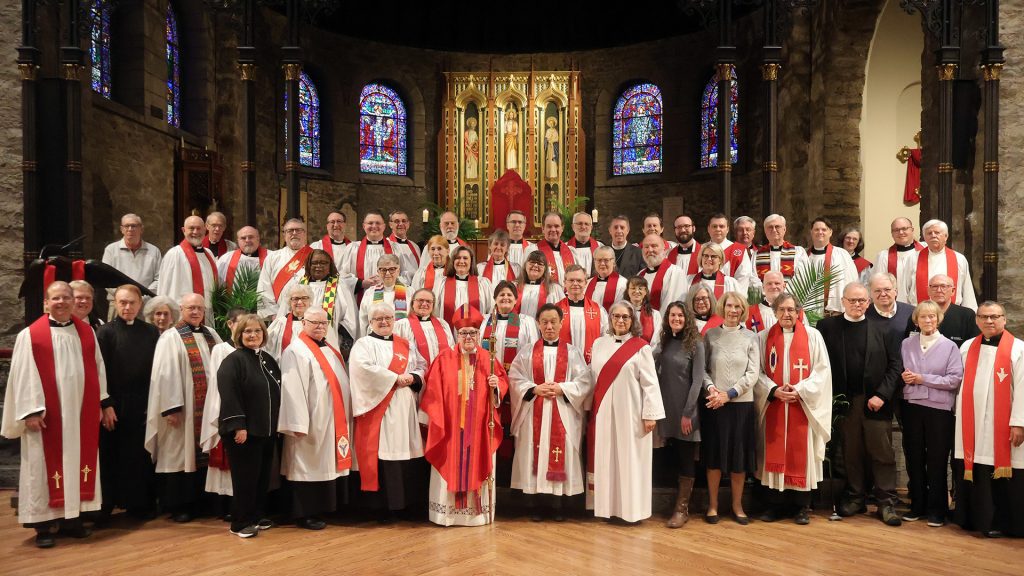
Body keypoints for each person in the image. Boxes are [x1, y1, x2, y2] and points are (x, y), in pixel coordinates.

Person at [2, 282, 108, 548]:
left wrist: (100, 403)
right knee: (42, 468)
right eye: (55, 298)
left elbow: (98, 369)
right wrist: (31, 411)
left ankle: (71, 520)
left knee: (76, 464)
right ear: (46, 303)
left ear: (73, 302)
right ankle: (44, 526)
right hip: (46, 417)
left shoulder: (86, 332)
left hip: (80, 415)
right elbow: (24, 376)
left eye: (66, 298)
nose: (61, 302)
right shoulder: (31, 335)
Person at [816, 283, 903, 526]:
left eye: (862, 301)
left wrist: (882, 395)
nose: (857, 305)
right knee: (850, 452)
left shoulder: (885, 329)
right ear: (842, 301)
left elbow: (896, 365)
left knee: (881, 452)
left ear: (869, 302)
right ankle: (855, 497)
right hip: (844, 402)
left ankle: (886, 501)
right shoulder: (827, 327)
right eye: (852, 300)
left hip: (875, 401)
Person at [420, 305, 508, 526]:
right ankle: (446, 514)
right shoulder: (443, 359)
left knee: (478, 460)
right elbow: (432, 391)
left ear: (479, 335)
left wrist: (496, 387)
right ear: (456, 335)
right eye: (463, 333)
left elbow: (502, 386)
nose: (468, 337)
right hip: (450, 428)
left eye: (472, 333)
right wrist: (438, 419)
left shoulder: (489, 358)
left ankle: (476, 515)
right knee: (451, 460)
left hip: (479, 429)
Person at [509, 304, 593, 521]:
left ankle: (558, 505)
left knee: (558, 453)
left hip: (562, 411)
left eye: (553, 322)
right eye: (544, 322)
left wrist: (561, 388)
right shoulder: (527, 351)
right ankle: (536, 504)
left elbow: (584, 381)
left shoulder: (572, 353)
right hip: (533, 410)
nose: (548, 326)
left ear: (561, 323)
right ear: (538, 323)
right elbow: (515, 377)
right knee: (533, 454)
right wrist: (534, 388)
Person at [755, 293, 833, 525]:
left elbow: (822, 371)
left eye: (791, 310)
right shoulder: (762, 338)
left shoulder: (813, 336)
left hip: (802, 406)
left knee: (802, 455)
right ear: (774, 312)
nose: (786, 314)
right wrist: (773, 389)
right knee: (773, 453)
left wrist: (800, 390)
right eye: (781, 310)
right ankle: (774, 505)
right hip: (775, 406)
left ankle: (801, 507)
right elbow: (756, 372)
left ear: (799, 311)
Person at [145, 292, 223, 523]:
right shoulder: (170, 337)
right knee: (180, 455)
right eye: (191, 308)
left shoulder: (213, 335)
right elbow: (164, 375)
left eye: (199, 308)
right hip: (183, 410)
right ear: (181, 309)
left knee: (203, 454)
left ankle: (204, 502)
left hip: (209, 408)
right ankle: (180, 505)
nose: (196, 312)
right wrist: (171, 408)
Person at [586, 301, 665, 523]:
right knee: (607, 459)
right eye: (616, 316)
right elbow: (592, 379)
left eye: (625, 317)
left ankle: (632, 511)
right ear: (610, 319)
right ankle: (608, 509)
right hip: (603, 414)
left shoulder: (641, 347)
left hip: (631, 414)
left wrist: (650, 414)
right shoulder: (599, 344)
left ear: (633, 321)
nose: (620, 321)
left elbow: (651, 383)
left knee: (631, 460)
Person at [349, 303, 427, 520]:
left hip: (405, 406)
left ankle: (407, 504)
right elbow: (362, 370)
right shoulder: (363, 344)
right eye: (378, 319)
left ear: (394, 320)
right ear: (370, 322)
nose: (384, 322)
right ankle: (383, 507)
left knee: (406, 451)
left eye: (388, 318)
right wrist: (394, 378)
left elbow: (421, 365)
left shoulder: (406, 344)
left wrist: (414, 377)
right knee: (384, 452)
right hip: (379, 409)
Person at [278, 308, 353, 530]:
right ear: (303, 323)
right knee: (307, 465)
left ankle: (324, 509)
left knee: (325, 464)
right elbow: (292, 389)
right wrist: (297, 423)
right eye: (314, 323)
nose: (320, 326)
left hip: (332, 418)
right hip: (311, 420)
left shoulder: (329, 348)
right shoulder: (296, 350)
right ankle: (304, 513)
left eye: (323, 323)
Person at [954, 301, 1024, 538]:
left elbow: (1023, 389)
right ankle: (978, 520)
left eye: (994, 316)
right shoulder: (966, 348)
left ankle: (1008, 523)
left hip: (1003, 425)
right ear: (976, 320)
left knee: (1006, 472)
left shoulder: (1018, 350)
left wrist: (1018, 422)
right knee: (979, 470)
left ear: (1005, 319)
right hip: (972, 423)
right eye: (983, 317)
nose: (989, 321)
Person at [96, 285, 160, 520]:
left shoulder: (151, 332)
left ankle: (138, 504)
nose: (127, 307)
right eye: (122, 302)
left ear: (140, 305)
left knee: (138, 455)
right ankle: (107, 505)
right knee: (112, 454)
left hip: (142, 402)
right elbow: (100, 370)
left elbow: (156, 369)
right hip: (115, 403)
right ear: (115, 303)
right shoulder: (105, 332)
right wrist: (106, 404)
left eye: (132, 302)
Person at [216, 313, 281, 538]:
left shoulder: (267, 359)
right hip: (244, 432)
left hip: (265, 430)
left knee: (261, 477)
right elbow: (229, 395)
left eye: (257, 331)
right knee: (245, 478)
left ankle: (255, 515)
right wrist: (238, 426)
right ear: (238, 334)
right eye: (247, 331)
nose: (253, 335)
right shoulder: (233, 361)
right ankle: (240, 522)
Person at [899, 300, 963, 527]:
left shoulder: (950, 347)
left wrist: (922, 379)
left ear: (938, 319)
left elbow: (954, 379)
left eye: (932, 316)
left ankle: (937, 509)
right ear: (916, 320)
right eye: (923, 317)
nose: (928, 320)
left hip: (939, 410)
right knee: (914, 457)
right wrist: (905, 377)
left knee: (937, 459)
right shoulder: (906, 343)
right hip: (912, 406)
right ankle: (918, 504)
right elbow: (901, 370)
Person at [701, 291, 759, 525]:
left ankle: (737, 505)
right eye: (729, 306)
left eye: (737, 307)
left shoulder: (751, 337)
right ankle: (713, 505)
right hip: (714, 404)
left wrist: (731, 393)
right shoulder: (711, 335)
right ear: (722, 308)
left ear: (743, 310)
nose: (733, 310)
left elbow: (753, 373)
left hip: (740, 406)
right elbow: (703, 369)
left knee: (739, 458)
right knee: (714, 457)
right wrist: (713, 389)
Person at [654, 301, 706, 528]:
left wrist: (688, 413)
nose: (676, 319)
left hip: (686, 412)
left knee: (686, 458)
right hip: (666, 411)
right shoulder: (664, 342)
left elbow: (698, 381)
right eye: (672, 315)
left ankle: (681, 509)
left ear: (687, 319)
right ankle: (671, 504)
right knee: (671, 458)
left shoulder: (695, 343)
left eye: (680, 315)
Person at [277, 249, 357, 348]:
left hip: (330, 342)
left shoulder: (340, 286)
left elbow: (350, 318)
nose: (319, 266)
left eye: (323, 263)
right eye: (314, 263)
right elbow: (285, 313)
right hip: (298, 341)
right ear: (308, 265)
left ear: (330, 266)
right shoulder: (298, 285)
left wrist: (345, 345)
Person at [903, 219, 978, 310]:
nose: (933, 235)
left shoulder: (959, 259)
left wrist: (971, 314)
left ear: (946, 236)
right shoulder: (913, 258)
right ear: (924, 237)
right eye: (929, 233)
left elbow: (967, 290)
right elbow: (904, 290)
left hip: (952, 313)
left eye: (937, 232)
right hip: (921, 314)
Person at [158, 215, 217, 317]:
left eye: (199, 228)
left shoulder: (209, 254)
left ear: (205, 230)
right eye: (191, 228)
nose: (195, 232)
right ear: (183, 230)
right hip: (181, 315)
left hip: (206, 315)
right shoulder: (175, 254)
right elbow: (166, 288)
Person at [101, 213, 161, 313]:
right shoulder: (111, 250)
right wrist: (124, 296)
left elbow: (159, 278)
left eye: (134, 226)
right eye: (126, 226)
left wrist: (143, 296)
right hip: (119, 303)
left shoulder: (154, 251)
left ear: (141, 229)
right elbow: (104, 278)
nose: (130, 229)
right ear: (121, 229)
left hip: (145, 303)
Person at [905, 273, 979, 347]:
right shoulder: (918, 315)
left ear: (953, 291)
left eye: (944, 286)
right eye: (934, 286)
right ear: (928, 290)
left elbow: (973, 347)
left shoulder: (967, 315)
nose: (939, 290)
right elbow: (910, 346)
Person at [258, 218, 311, 318]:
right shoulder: (273, 258)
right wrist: (273, 314)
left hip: (309, 316)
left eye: (298, 230)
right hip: (280, 317)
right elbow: (264, 287)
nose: (294, 233)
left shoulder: (315, 256)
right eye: (290, 231)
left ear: (305, 233)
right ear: (284, 235)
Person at [805, 216, 858, 317]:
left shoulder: (842, 254)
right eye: (816, 229)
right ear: (811, 232)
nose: (820, 232)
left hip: (834, 314)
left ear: (830, 232)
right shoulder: (804, 256)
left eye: (824, 229)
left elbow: (852, 282)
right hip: (809, 314)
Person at [557, 265, 609, 364]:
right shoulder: (556, 310)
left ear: (585, 283)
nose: (575, 284)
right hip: (562, 364)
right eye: (571, 280)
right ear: (564, 283)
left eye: (579, 280)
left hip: (591, 364)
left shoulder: (599, 310)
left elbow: (606, 338)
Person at [267, 284, 334, 360]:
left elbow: (330, 349)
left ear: (310, 301)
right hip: (286, 367)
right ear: (290, 302)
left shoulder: (320, 323)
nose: (299, 302)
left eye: (304, 298)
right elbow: (268, 347)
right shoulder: (280, 323)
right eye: (295, 299)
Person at [394, 288, 455, 367]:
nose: (424, 304)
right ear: (412, 303)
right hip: (415, 375)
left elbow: (451, 350)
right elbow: (397, 354)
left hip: (441, 373)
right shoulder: (402, 325)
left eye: (429, 301)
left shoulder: (442, 324)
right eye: (420, 300)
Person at [437, 245, 494, 328]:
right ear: (452, 261)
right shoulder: (441, 283)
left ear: (471, 262)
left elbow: (491, 311)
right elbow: (435, 311)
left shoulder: (483, 283)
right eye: (458, 258)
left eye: (465, 258)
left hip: (477, 334)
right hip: (449, 333)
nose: (461, 261)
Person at [344, 210, 399, 290]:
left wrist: (388, 280)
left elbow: (404, 274)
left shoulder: (396, 248)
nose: (374, 226)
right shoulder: (353, 248)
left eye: (378, 223)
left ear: (384, 226)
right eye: (370, 223)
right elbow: (343, 275)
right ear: (364, 226)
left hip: (388, 296)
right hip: (361, 295)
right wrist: (361, 283)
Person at [873, 217, 924, 303]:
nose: (901, 233)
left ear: (912, 230)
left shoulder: (925, 251)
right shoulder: (883, 256)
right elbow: (879, 284)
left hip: (923, 305)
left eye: (904, 228)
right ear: (892, 234)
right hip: (896, 306)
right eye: (896, 230)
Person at [358, 254, 410, 337]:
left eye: (392, 269)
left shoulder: (409, 292)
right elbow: (363, 321)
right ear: (378, 271)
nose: (387, 273)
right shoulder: (370, 293)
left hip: (402, 338)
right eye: (383, 270)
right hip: (375, 341)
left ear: (398, 270)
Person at [639, 233, 689, 316]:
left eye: (654, 246)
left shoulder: (675, 272)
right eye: (646, 247)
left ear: (664, 249)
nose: (650, 250)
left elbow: (675, 304)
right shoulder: (640, 275)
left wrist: (658, 325)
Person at [753, 214, 808, 286]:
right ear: (765, 231)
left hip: (790, 295)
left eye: (777, 226)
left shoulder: (798, 252)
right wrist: (766, 292)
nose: (774, 230)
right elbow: (753, 278)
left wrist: (784, 293)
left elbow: (802, 276)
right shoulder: (757, 254)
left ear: (784, 229)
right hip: (764, 295)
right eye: (770, 227)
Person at [706, 213, 754, 294]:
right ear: (708, 229)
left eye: (721, 226)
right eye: (714, 226)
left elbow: (743, 279)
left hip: (729, 301)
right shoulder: (702, 250)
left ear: (727, 229)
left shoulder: (739, 250)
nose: (718, 229)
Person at [525, 211, 577, 284]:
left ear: (562, 228)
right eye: (549, 226)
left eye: (556, 226)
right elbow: (526, 278)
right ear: (543, 228)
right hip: (544, 294)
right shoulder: (533, 250)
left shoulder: (572, 251)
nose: (553, 230)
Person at [515, 250, 564, 319]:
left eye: (540, 264)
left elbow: (561, 313)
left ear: (545, 269)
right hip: (518, 328)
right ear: (525, 265)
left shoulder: (554, 288)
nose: (535, 265)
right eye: (532, 262)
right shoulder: (514, 286)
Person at [216, 226, 267, 292]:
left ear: (258, 238)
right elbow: (218, 284)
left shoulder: (270, 257)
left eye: (251, 237)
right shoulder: (226, 259)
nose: (247, 240)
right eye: (243, 238)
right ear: (238, 241)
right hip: (233, 302)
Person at [865, 272, 914, 340]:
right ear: (870, 293)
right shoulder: (863, 315)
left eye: (887, 290)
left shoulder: (911, 312)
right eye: (877, 290)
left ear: (896, 291)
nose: (883, 294)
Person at [586, 246, 627, 312]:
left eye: (606, 260)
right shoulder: (587, 284)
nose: (602, 264)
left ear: (613, 262)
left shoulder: (623, 283)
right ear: (594, 262)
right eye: (599, 260)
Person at [626, 275, 661, 348]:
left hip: (648, 354)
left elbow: (656, 340)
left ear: (645, 292)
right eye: (633, 288)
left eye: (640, 288)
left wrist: (646, 355)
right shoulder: (622, 312)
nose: (637, 291)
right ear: (628, 291)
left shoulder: (655, 314)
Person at [388, 210, 422, 276]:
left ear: (408, 224)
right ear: (390, 225)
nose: (401, 224)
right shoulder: (386, 245)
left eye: (404, 221)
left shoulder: (415, 246)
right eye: (397, 221)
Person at [504, 105, 519, 172]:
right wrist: (508, 133)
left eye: (512, 115)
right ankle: (508, 165)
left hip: (513, 139)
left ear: (513, 116)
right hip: (508, 139)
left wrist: (512, 134)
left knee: (513, 151)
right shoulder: (506, 123)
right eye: (510, 115)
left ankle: (513, 165)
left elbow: (516, 132)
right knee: (508, 152)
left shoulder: (515, 123)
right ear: (508, 115)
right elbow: (504, 131)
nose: (511, 116)